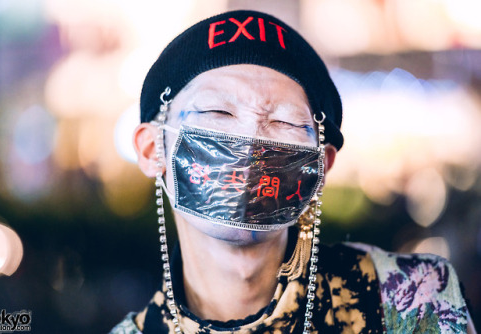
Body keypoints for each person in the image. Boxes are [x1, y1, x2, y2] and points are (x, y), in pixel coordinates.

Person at [110, 10, 476, 334]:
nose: (251, 141)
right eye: (217, 113)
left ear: (321, 166)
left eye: (284, 120)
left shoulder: (409, 299)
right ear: (151, 149)